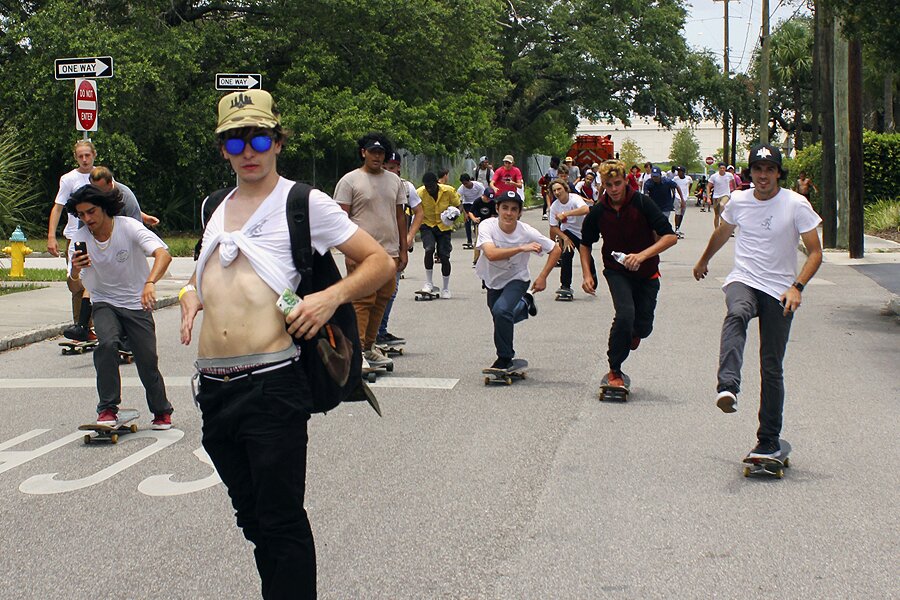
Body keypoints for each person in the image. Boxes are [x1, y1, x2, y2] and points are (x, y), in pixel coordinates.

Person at [180, 89, 394, 599]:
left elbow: (379, 262)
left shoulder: (303, 202)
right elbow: (204, 276)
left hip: (272, 384)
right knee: (253, 519)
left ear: (277, 141)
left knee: (279, 521)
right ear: (223, 149)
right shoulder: (214, 205)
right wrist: (190, 296)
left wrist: (327, 299)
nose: (247, 150)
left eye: (257, 137)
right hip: (214, 387)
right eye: (235, 141)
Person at [693, 144, 822, 460]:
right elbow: (723, 232)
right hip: (744, 279)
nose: (763, 176)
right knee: (737, 311)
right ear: (749, 172)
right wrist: (703, 259)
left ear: (778, 173)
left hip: (780, 289)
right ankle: (728, 387)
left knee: (771, 365)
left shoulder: (796, 204)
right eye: (757, 169)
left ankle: (768, 440)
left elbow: (816, 252)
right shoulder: (738, 200)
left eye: (769, 170)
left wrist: (797, 286)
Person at [65, 184, 174, 429]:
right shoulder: (79, 240)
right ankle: (107, 408)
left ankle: (161, 410)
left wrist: (150, 282)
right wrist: (75, 269)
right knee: (106, 344)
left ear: (104, 208)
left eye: (91, 212)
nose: (87, 219)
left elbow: (163, 254)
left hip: (137, 302)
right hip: (104, 301)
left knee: (146, 360)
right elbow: (74, 288)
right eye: (81, 215)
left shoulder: (128, 227)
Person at [580, 160, 677, 391]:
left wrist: (642, 256)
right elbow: (585, 243)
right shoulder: (598, 210)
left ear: (626, 181)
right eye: (608, 184)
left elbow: (669, 237)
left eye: (617, 183)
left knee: (643, 327)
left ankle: (634, 332)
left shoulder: (642, 203)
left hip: (647, 272)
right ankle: (615, 369)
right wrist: (586, 274)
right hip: (617, 271)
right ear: (602, 185)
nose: (613, 189)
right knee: (624, 315)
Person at [334, 132, 409, 370]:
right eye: (372, 151)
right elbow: (341, 218)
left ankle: (369, 347)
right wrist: (347, 249)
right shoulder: (350, 181)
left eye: (381, 153)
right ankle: (356, 352)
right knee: (363, 300)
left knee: (382, 299)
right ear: (363, 152)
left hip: (390, 251)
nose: (377, 156)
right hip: (361, 252)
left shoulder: (395, 181)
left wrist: (403, 248)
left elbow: (400, 216)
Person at [63, 166, 162, 342]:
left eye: (100, 189)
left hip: (122, 249)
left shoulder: (126, 196)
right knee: (92, 278)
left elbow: (135, 225)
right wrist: (78, 260)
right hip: (99, 246)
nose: (97, 193)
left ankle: (124, 330)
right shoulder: (89, 206)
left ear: (110, 184)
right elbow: (83, 226)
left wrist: (149, 281)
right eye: (93, 188)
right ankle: (84, 325)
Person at [476, 190, 561, 370]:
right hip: (492, 280)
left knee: (501, 311)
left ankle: (505, 358)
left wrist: (542, 277)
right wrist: (521, 248)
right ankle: (525, 303)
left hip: (517, 279)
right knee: (500, 317)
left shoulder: (527, 232)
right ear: (497, 208)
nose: (509, 213)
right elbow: (490, 254)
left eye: (514, 209)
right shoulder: (487, 226)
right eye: (505, 208)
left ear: (519, 213)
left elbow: (555, 249)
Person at [48, 140, 96, 335]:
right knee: (77, 282)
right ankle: (81, 326)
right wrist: (51, 236)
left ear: (94, 155)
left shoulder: (100, 175)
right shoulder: (69, 179)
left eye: (87, 155)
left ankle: (97, 325)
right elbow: (58, 206)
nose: (84, 159)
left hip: (100, 235)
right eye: (80, 156)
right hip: (75, 236)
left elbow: (117, 199)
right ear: (76, 157)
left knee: (99, 281)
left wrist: (141, 216)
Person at [548, 179, 595, 297]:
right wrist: (564, 238)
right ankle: (565, 286)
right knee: (567, 255)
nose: (557, 192)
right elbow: (553, 227)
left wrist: (566, 214)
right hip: (567, 232)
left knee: (588, 258)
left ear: (565, 189)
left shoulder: (575, 198)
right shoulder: (555, 206)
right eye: (554, 191)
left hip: (582, 232)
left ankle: (592, 281)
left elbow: (585, 209)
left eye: (559, 189)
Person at [417, 172, 461, 298]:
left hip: (444, 226)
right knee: (429, 249)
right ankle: (429, 283)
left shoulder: (448, 191)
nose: (429, 189)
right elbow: (413, 211)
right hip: (427, 224)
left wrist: (455, 214)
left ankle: (446, 288)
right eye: (426, 186)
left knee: (444, 256)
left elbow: (459, 205)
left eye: (431, 186)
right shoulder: (420, 193)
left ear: (437, 183)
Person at [466, 187, 497, 268]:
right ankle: (476, 261)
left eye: (490, 199)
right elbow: (470, 212)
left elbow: (494, 214)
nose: (488, 200)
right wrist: (474, 219)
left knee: (490, 241)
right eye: (487, 198)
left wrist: (491, 220)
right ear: (484, 195)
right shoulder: (478, 201)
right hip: (479, 224)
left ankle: (490, 259)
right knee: (478, 242)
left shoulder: (492, 203)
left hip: (489, 224)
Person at [457, 173, 485, 250]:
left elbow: (483, 197)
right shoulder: (461, 189)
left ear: (469, 181)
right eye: (463, 184)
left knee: (478, 221)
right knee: (467, 222)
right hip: (467, 204)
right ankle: (469, 240)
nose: (465, 185)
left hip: (477, 203)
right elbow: (460, 202)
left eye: (466, 183)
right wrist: (465, 214)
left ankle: (479, 239)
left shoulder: (478, 185)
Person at [707, 162, 735, 229]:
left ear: (725, 169)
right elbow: (708, 186)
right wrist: (708, 197)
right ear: (718, 169)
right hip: (716, 196)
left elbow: (733, 182)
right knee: (716, 215)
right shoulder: (714, 176)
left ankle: (722, 224)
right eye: (721, 168)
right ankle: (716, 229)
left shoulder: (729, 175)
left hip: (725, 195)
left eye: (723, 168)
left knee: (722, 205)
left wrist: (734, 190)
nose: (722, 169)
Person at [671, 166, 693, 239]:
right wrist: (674, 193)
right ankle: (676, 228)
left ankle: (678, 228)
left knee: (682, 214)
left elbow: (691, 184)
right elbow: (672, 186)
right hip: (677, 197)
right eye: (678, 171)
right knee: (677, 213)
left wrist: (688, 192)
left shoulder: (688, 178)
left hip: (685, 197)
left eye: (680, 171)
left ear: (683, 172)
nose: (679, 173)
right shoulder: (675, 179)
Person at [538, 156, 561, 220]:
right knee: (546, 200)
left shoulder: (559, 171)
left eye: (552, 162)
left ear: (555, 163)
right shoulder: (550, 170)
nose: (550, 163)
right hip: (550, 188)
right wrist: (545, 178)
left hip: (557, 187)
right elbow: (547, 178)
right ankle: (544, 213)